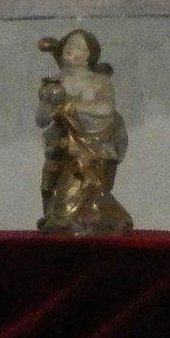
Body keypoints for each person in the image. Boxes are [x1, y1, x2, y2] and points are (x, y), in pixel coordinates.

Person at [36, 28, 133, 235]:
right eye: (69, 43)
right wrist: (49, 104)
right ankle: (67, 217)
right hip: (62, 147)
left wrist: (68, 106)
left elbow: (105, 109)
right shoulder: (54, 82)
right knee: (49, 188)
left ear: (90, 56)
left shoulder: (98, 81)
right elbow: (41, 120)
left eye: (80, 46)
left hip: (91, 148)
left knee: (70, 206)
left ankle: (98, 217)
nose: (72, 48)